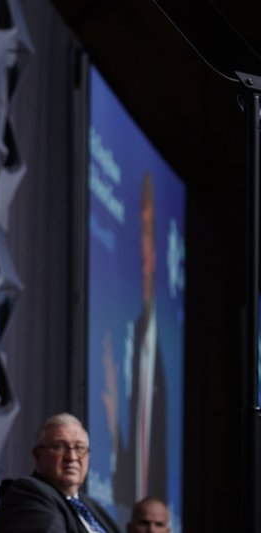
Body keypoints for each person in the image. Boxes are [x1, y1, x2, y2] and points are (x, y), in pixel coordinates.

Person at [101, 172, 167, 508]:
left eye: (147, 232)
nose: (142, 250)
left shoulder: (156, 351)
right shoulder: (133, 333)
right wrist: (112, 426)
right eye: (137, 234)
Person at [0, 413, 119, 533]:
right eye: (59, 447)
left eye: (80, 447)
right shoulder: (29, 493)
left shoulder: (91, 505)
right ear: (38, 455)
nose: (72, 457)